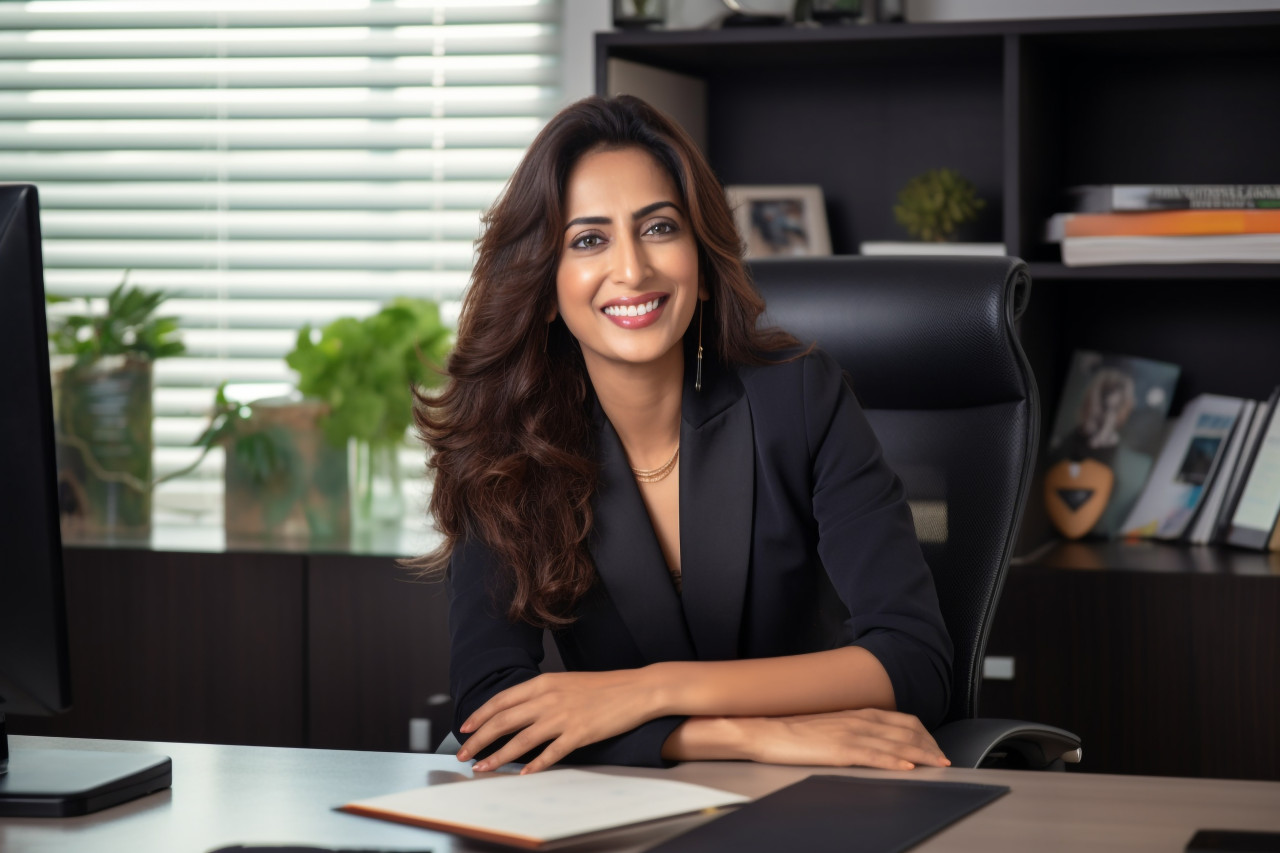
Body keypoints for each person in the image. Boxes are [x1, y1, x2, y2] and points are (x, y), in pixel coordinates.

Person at [412, 94, 953, 774]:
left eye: (660, 228)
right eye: (588, 240)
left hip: (819, 792)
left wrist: (650, 690)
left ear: (701, 264)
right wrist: (743, 737)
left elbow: (913, 658)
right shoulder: (502, 446)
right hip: (623, 806)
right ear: (546, 289)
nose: (632, 269)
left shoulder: (798, 397)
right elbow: (490, 711)